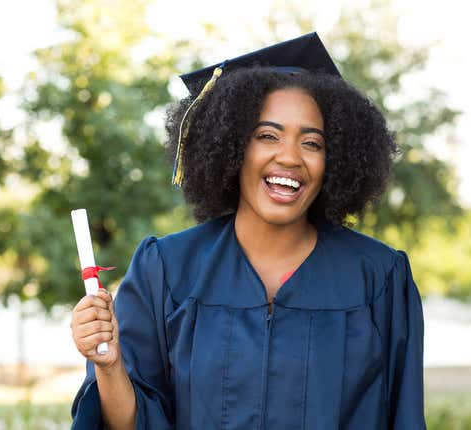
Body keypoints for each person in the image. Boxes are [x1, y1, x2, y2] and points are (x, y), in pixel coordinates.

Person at [69, 32, 427, 430]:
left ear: (335, 159)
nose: (289, 157)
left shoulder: (378, 277)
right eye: (267, 136)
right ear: (232, 146)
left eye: (312, 143)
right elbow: (132, 423)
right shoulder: (167, 270)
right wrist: (110, 365)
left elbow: (405, 417)